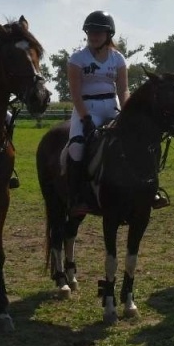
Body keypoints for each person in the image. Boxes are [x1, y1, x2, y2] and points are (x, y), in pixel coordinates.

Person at [65, 11, 131, 216]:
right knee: (76, 147)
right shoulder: (77, 59)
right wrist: (84, 118)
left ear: (108, 35)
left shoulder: (118, 59)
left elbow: (123, 89)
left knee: (131, 142)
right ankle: (77, 195)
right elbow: (75, 92)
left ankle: (142, 189)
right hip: (86, 108)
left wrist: (126, 112)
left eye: (98, 33)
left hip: (111, 106)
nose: (94, 36)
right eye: (91, 32)